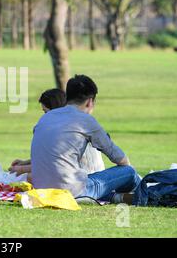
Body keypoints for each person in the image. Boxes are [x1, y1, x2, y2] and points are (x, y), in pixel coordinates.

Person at [31, 75, 141, 204]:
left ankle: (117, 197)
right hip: (72, 191)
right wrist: (127, 169)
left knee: (91, 180)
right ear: (90, 102)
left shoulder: (45, 118)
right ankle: (148, 193)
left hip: (41, 190)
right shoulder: (86, 121)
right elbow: (117, 156)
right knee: (129, 172)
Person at [9, 88, 105, 181]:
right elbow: (50, 158)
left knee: (30, 177)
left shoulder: (65, 131)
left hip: (86, 179)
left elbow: (51, 164)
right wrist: (25, 163)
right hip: (82, 176)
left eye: (45, 112)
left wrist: (21, 170)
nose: (44, 116)